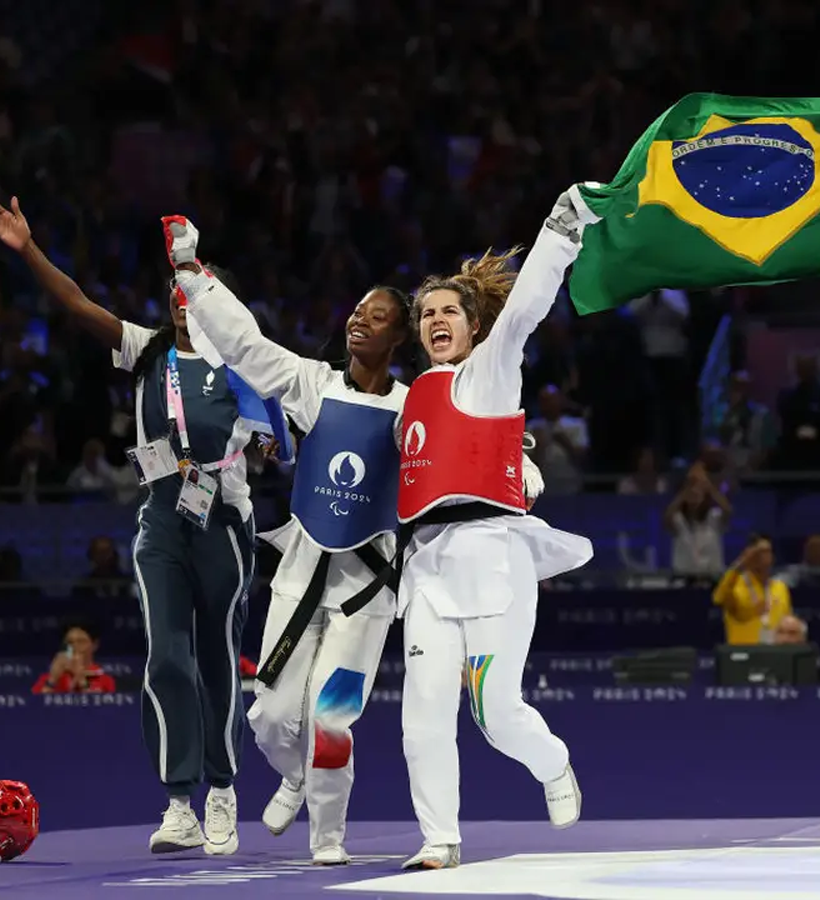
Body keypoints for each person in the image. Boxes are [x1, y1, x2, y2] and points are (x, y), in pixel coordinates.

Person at [0, 199, 264, 856]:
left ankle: (224, 790)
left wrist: (261, 447)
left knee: (215, 660)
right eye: (177, 290)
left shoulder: (242, 364)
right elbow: (78, 305)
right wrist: (28, 250)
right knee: (167, 657)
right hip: (160, 525)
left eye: (198, 292)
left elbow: (269, 437)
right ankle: (180, 804)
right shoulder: (146, 352)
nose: (184, 300)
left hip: (223, 523)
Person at [165, 217, 406, 865]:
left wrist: (514, 461)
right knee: (269, 718)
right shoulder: (312, 385)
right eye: (358, 309)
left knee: (331, 720)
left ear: (399, 335)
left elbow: (461, 441)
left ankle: (328, 835)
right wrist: (192, 273)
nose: (360, 319)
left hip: (366, 593)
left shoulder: (416, 408)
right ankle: (293, 776)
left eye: (377, 315)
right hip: (299, 577)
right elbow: (244, 345)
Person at [396, 189, 598, 870]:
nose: (436, 320)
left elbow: (526, 308)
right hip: (427, 566)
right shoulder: (409, 402)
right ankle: (439, 839)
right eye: (425, 314)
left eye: (449, 310)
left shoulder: (491, 368)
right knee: (421, 709)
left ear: (473, 324)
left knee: (494, 713)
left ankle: (554, 765)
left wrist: (560, 230)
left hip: (494, 557)